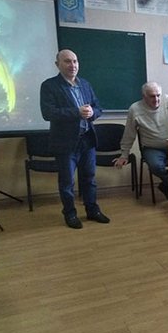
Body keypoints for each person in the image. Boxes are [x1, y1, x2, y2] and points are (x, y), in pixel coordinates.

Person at [40, 49, 109, 229]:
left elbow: (98, 107)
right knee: (67, 182)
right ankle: (70, 213)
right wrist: (76, 112)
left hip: (87, 140)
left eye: (75, 61)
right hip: (65, 142)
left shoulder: (85, 84)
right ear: (57, 64)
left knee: (89, 178)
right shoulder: (49, 85)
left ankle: (92, 210)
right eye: (67, 61)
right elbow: (48, 113)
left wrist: (93, 112)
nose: (73, 65)